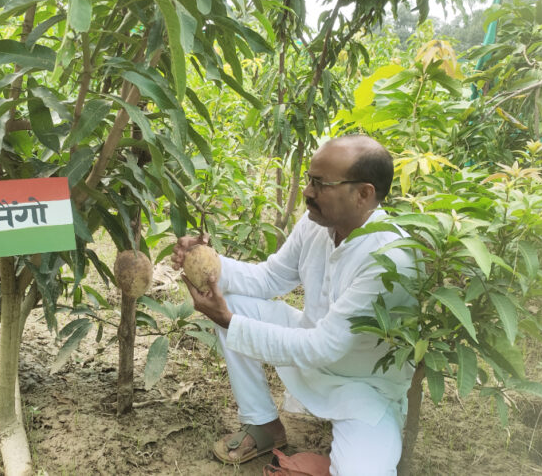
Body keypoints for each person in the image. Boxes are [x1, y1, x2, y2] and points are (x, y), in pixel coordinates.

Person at [172, 135, 416, 475]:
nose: (308, 192)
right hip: (311, 349)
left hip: (364, 390)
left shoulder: (389, 259)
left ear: (364, 194)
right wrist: (207, 262)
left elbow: (324, 347)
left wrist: (229, 322)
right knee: (237, 306)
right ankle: (263, 425)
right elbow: (270, 278)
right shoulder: (319, 224)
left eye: (321, 184)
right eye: (309, 179)